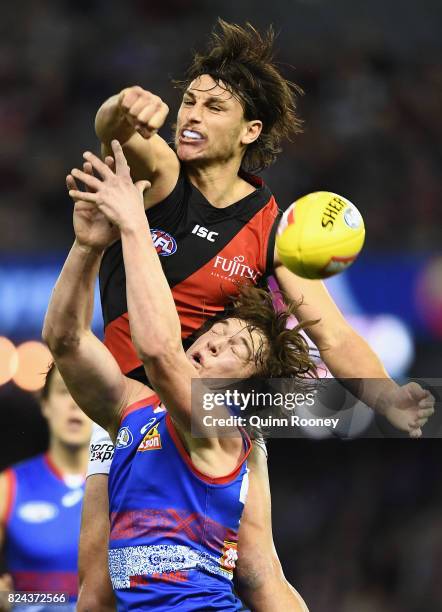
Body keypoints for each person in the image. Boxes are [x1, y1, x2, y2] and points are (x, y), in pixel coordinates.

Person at [75, 19, 434, 611]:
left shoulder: (273, 229)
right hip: (125, 412)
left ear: (250, 130)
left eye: (213, 106)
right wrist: (122, 105)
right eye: (187, 100)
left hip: (211, 421)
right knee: (98, 591)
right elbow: (113, 128)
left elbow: (331, 330)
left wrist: (388, 398)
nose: (190, 114)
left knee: (260, 574)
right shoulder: (163, 177)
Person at [43, 140, 316, 611]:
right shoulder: (133, 408)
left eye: (238, 349)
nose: (214, 341)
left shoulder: (223, 423)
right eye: (221, 330)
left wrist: (133, 223)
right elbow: (66, 341)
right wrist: (87, 247)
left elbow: (157, 349)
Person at [0, 365, 92, 612]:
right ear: (45, 404)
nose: (75, 403)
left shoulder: (126, 486)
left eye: (84, 391)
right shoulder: (7, 487)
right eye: (65, 391)